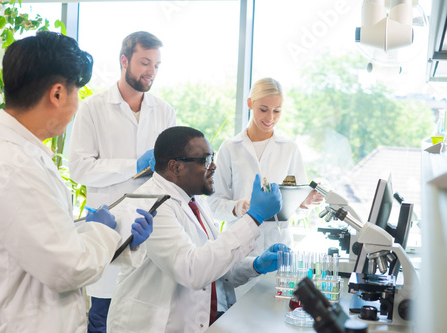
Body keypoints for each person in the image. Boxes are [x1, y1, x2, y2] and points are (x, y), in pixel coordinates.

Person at [0, 31, 154, 332]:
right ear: (57, 94)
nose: (77, 102)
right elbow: (68, 267)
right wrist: (102, 231)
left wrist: (116, 238)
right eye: (76, 91)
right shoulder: (16, 166)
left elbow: (41, 240)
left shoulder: (17, 151)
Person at [106, 126, 288, 333]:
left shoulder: (194, 199)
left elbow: (213, 264)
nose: (214, 167)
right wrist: (254, 218)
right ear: (176, 167)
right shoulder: (151, 205)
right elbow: (193, 271)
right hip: (151, 325)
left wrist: (254, 266)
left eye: (213, 158)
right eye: (206, 160)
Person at [69, 31, 177, 332]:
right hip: (109, 234)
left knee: (147, 320)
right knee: (103, 318)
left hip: (151, 234)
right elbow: (78, 167)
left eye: (156, 65)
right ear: (124, 60)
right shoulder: (93, 108)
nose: (151, 71)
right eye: (145, 62)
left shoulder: (165, 112)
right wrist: (133, 166)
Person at [208, 77, 324, 254]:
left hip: (277, 245)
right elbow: (214, 205)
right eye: (263, 109)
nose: (270, 118)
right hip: (238, 247)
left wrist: (306, 202)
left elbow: (297, 208)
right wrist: (241, 207)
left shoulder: (290, 149)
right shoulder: (230, 148)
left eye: (277, 111)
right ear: (250, 103)